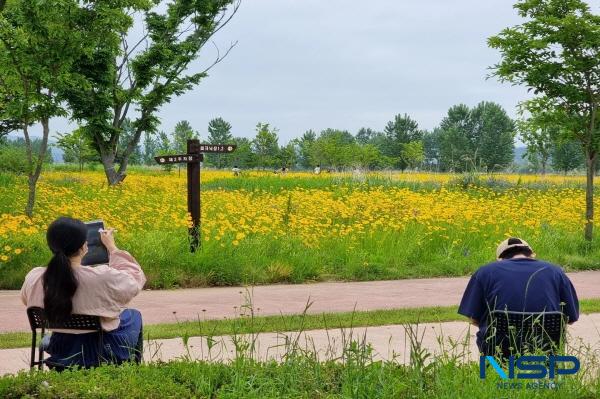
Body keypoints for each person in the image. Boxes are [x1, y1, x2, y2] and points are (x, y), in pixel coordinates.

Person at [21, 217, 146, 368]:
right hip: (99, 350)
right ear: (83, 247)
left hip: (59, 347)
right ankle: (132, 369)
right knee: (133, 315)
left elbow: (27, 301)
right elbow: (134, 280)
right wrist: (112, 248)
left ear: (51, 245)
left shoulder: (33, 277)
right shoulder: (101, 277)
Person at [458, 237, 579, 355]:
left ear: (499, 259)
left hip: (499, 351)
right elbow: (570, 318)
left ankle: (496, 373)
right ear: (531, 255)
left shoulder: (485, 271)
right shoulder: (555, 271)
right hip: (547, 350)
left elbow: (473, 319)